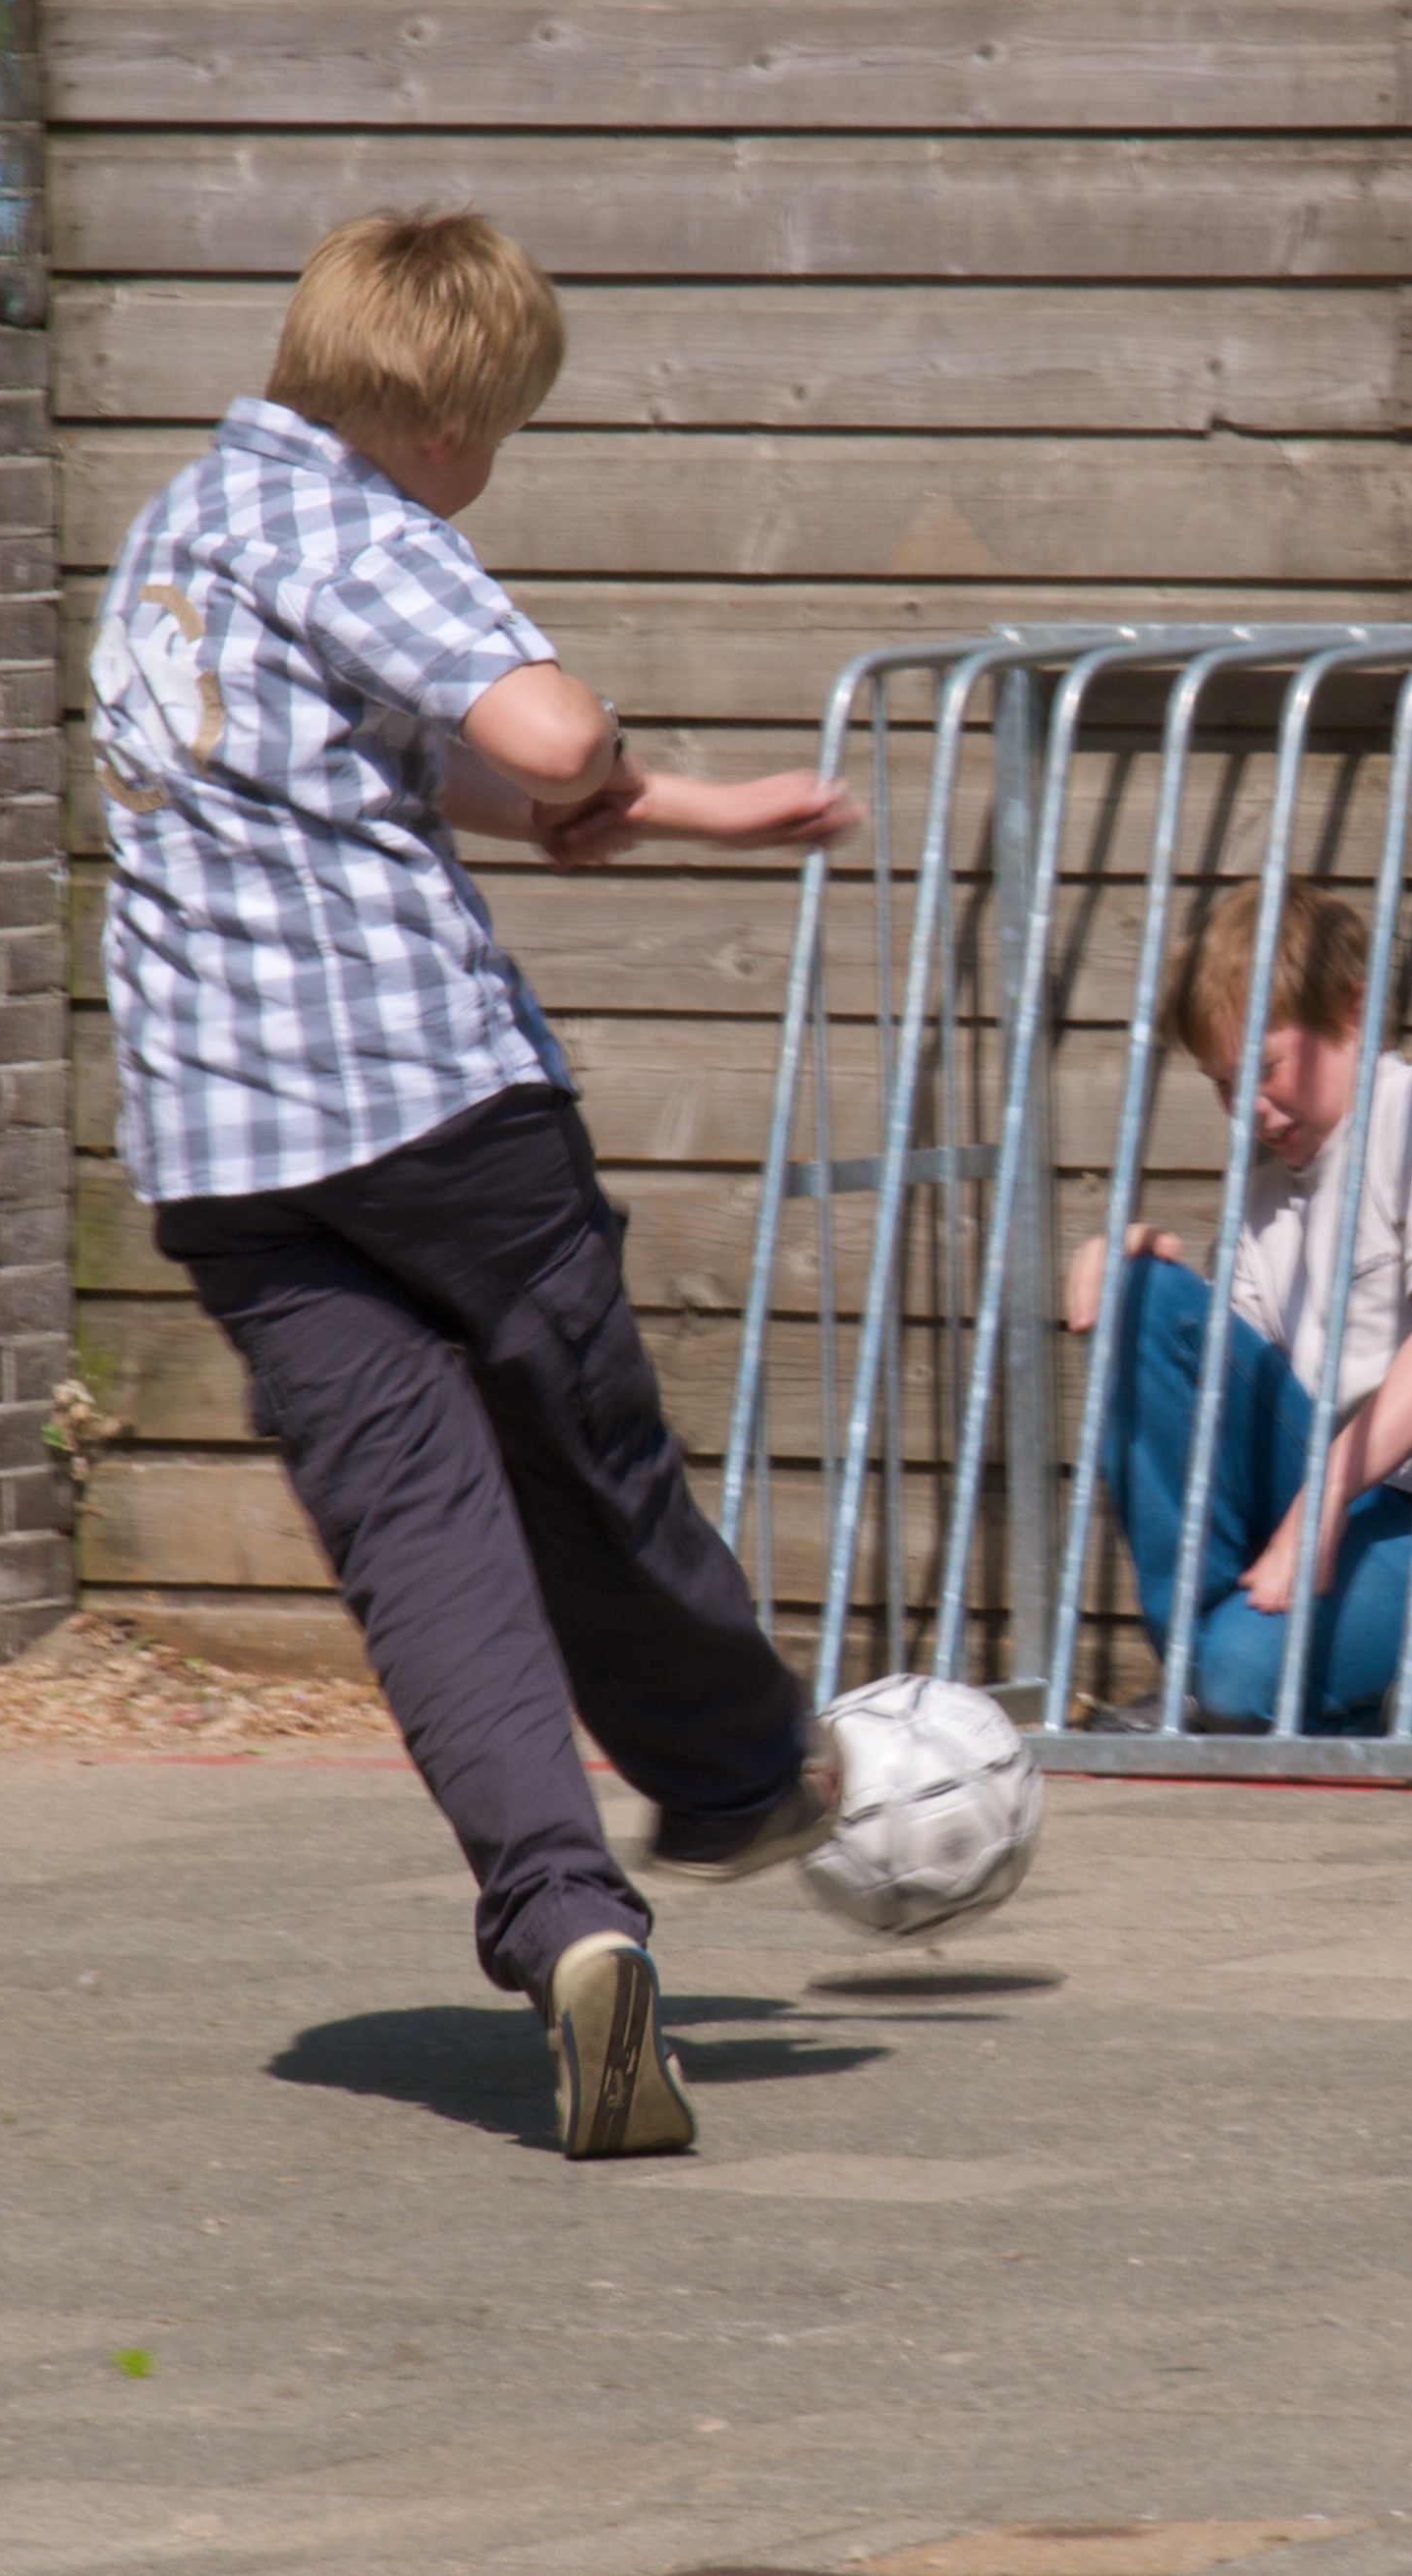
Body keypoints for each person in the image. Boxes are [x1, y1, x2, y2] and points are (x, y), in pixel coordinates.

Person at [91, 206, 860, 2159]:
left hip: (231, 1158)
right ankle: (740, 1765)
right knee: (591, 1468)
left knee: (423, 1547)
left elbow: (374, 763)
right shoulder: (362, 525)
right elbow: (533, 725)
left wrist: (672, 812)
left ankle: (571, 1926)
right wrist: (597, 740)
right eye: (494, 440)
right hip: (436, 1111)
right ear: (444, 428)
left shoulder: (176, 538)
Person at [1061, 880, 1412, 1735]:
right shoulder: (1264, 1196)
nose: (1246, 1107)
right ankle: (1216, 1670)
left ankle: (1255, 1685)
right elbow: (1227, 1413)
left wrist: (1323, 1494)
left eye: (1263, 1067)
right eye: (1221, 1084)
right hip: (1318, 1485)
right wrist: (1136, 1273)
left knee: (1240, 1679)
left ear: (1352, 1016)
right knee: (1140, 1287)